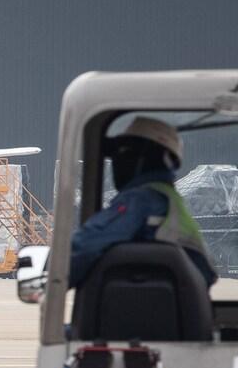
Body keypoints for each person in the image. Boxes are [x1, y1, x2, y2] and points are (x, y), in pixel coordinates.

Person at [69, 116, 216, 288]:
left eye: (125, 152)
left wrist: (50, 277)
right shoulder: (169, 199)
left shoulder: (143, 200)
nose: (117, 160)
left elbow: (88, 244)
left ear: (149, 157)